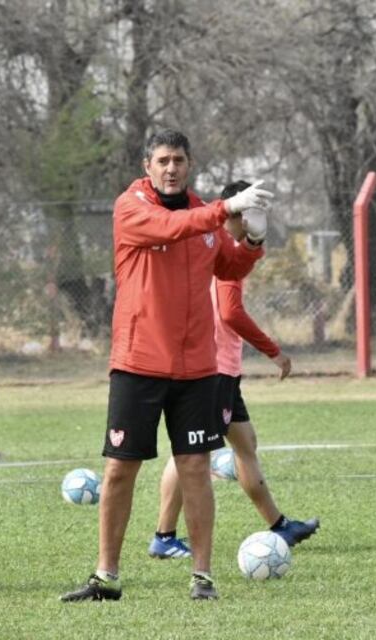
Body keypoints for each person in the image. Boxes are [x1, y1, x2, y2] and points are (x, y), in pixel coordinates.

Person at [61, 130, 273, 602]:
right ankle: (106, 576)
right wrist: (225, 208)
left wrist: (254, 239)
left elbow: (230, 267)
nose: (171, 168)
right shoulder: (132, 207)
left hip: (196, 367)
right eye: (163, 160)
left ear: (189, 164)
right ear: (148, 165)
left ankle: (202, 577)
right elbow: (170, 227)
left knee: (195, 467)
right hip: (138, 363)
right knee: (119, 470)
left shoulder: (203, 214)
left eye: (178, 159)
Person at [148, 180, 320, 561]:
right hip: (213, 368)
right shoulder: (222, 245)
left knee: (245, 442)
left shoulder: (211, 239)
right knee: (191, 451)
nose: (258, 223)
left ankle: (280, 525)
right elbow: (230, 311)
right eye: (255, 214)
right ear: (241, 214)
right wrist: (274, 352)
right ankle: (164, 536)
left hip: (220, 367)